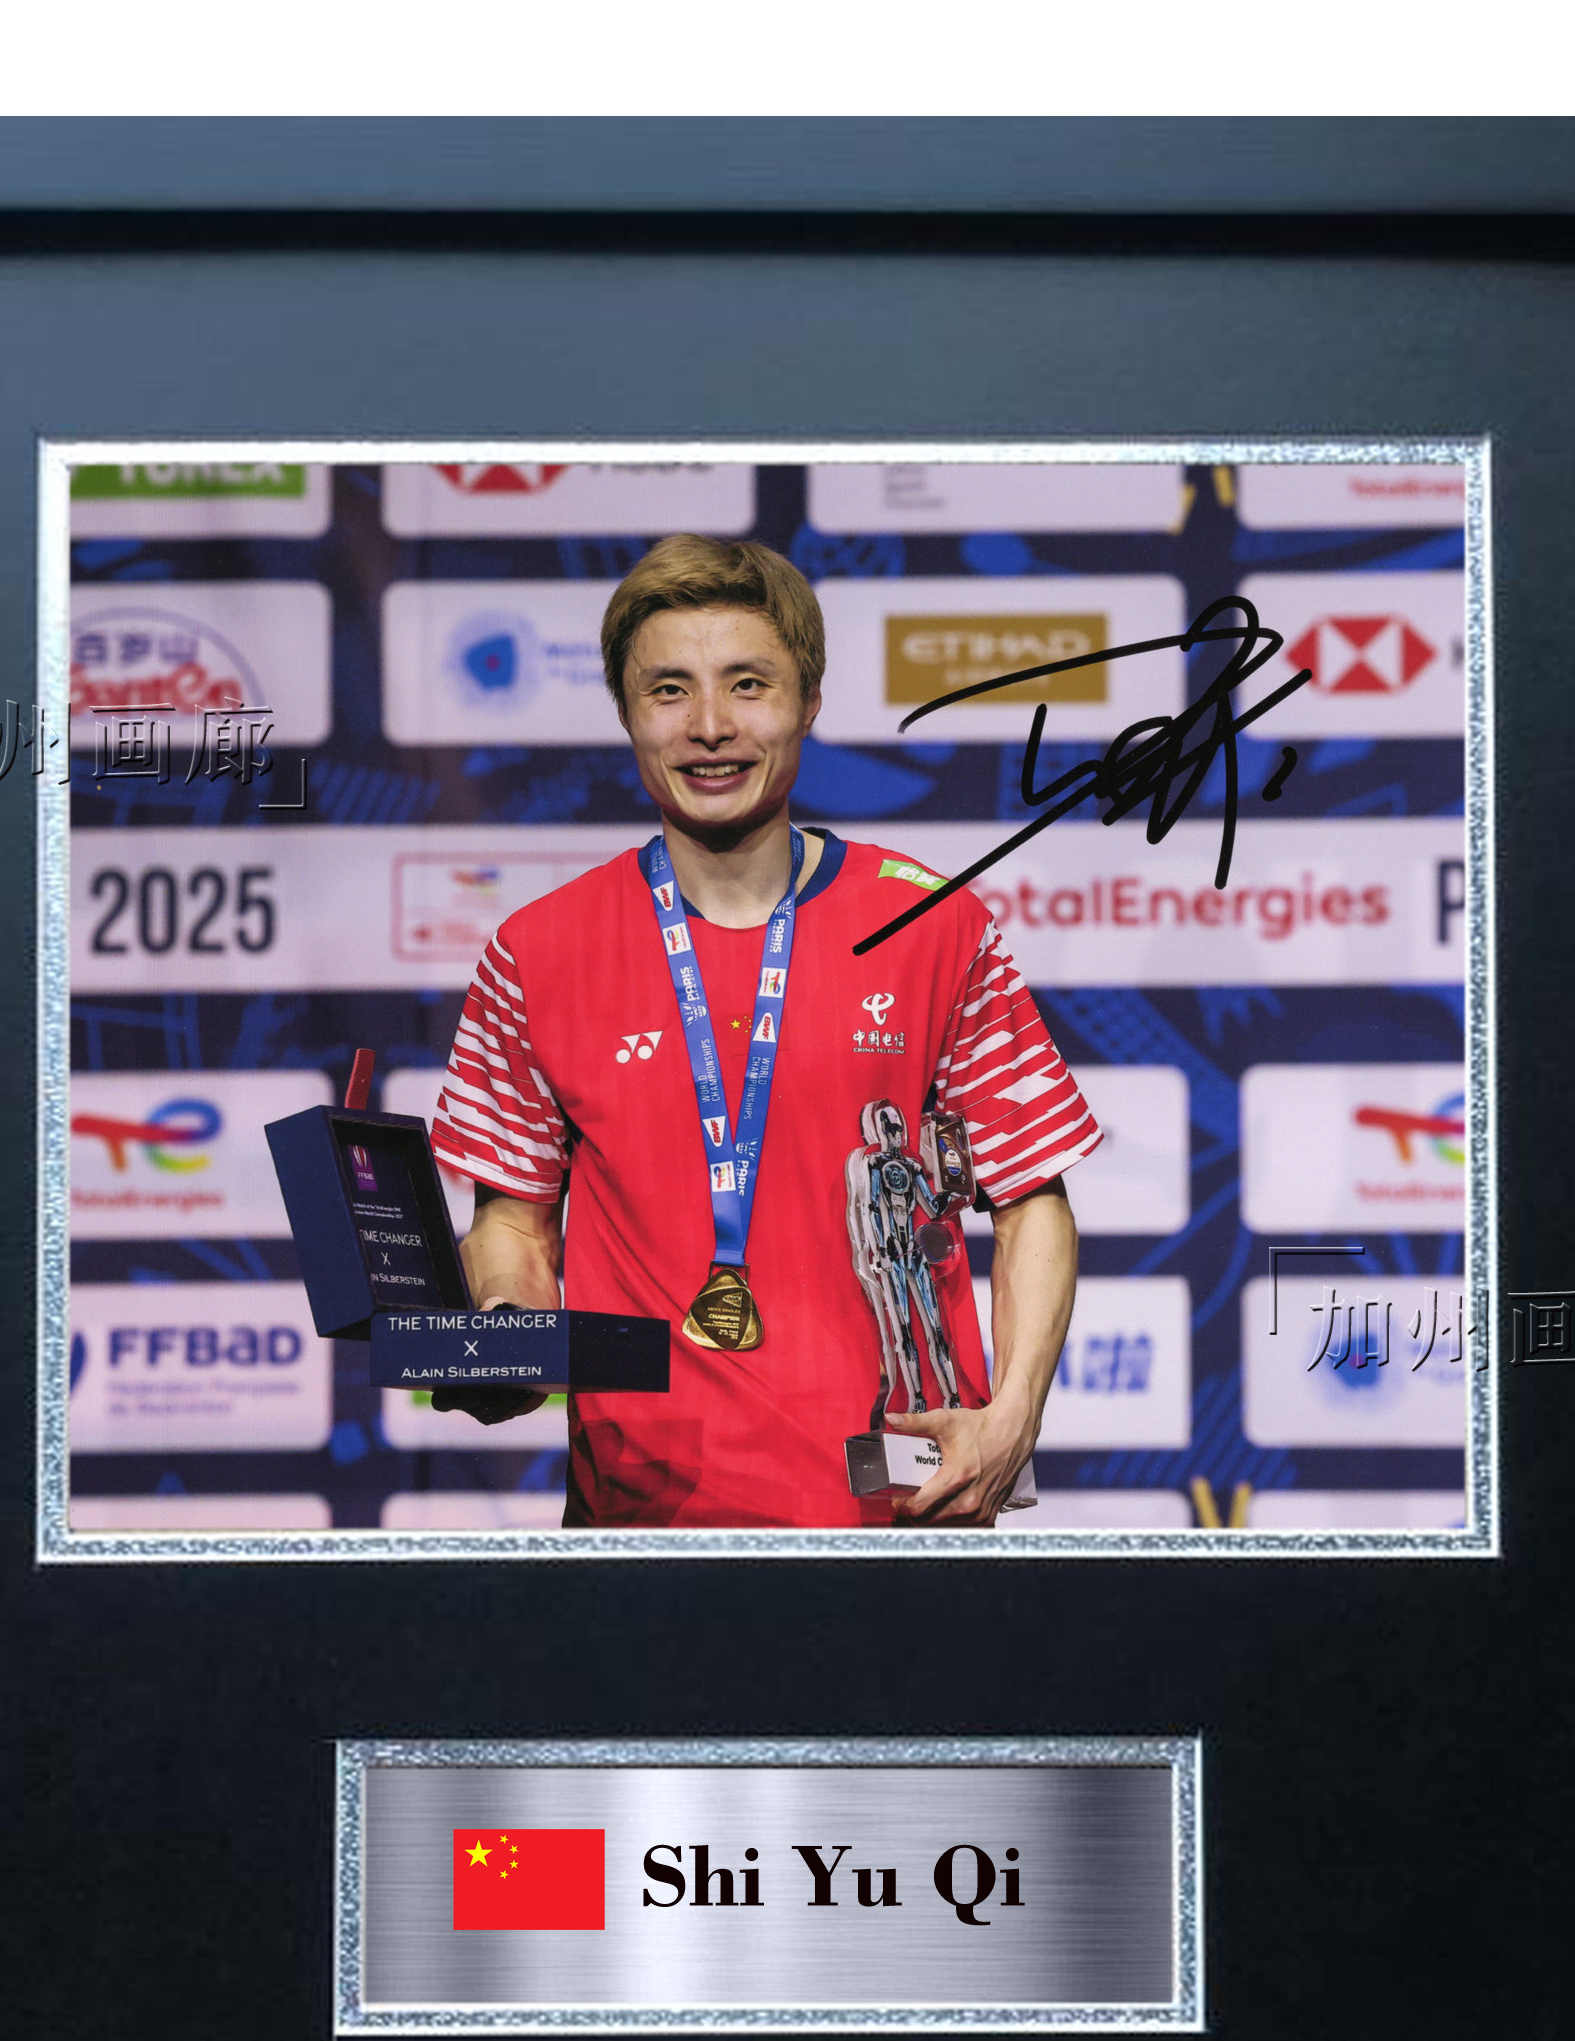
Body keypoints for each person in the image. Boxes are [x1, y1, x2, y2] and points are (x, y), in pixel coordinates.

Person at [428, 533, 1101, 1529]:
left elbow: (1030, 1197)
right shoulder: (536, 952)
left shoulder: (931, 922)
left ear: (809, 701)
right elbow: (514, 1223)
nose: (710, 727)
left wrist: (1013, 1417)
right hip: (639, 1526)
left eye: (748, 684)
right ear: (625, 712)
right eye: (669, 690)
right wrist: (504, 1337)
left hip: (904, 1511)